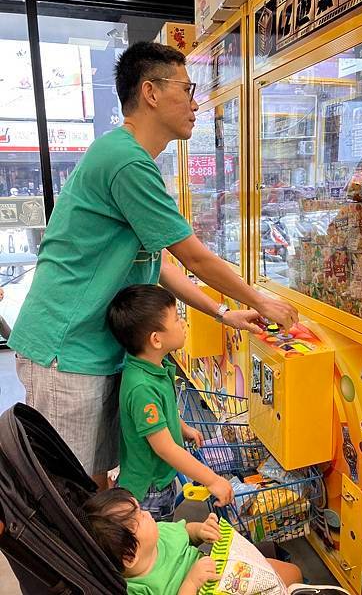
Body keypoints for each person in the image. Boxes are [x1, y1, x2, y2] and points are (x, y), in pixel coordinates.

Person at [9, 42, 298, 490]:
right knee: (65, 490)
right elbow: (193, 255)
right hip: (66, 349)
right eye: (187, 88)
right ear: (151, 92)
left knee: (96, 481)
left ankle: (104, 557)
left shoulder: (129, 158)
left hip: (93, 345)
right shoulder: (125, 161)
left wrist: (225, 313)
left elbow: (159, 262)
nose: (195, 102)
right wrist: (261, 300)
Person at [107, 284, 233, 519]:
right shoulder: (142, 388)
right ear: (156, 339)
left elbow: (166, 409)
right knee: (157, 545)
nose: (184, 323)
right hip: (149, 491)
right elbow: (164, 448)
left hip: (160, 479)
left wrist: (182, 427)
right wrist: (212, 479)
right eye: (177, 319)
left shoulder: (154, 367)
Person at [83, 487, 303, 595]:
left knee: (291, 572)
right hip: (208, 588)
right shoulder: (137, 588)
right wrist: (190, 583)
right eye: (138, 518)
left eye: (140, 509)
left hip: (224, 571)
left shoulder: (161, 532)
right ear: (129, 556)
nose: (148, 514)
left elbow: (186, 531)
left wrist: (201, 531)